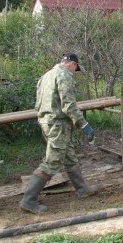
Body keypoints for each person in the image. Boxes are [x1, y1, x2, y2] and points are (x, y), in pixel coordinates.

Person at [20, 53, 97, 214]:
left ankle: (82, 189)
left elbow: (38, 103)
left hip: (46, 121)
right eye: (76, 69)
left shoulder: (46, 75)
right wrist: (84, 125)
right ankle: (29, 200)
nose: (75, 72)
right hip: (58, 124)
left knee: (69, 155)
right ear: (73, 64)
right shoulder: (64, 75)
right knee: (52, 160)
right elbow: (69, 105)